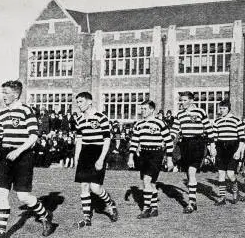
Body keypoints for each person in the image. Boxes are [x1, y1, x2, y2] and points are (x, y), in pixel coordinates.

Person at [0, 80, 56, 238]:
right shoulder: (2, 113)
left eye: (6, 93)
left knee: (23, 196)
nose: (3, 96)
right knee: (2, 193)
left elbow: (33, 136)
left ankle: (46, 216)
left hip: (23, 155)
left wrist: (18, 151)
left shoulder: (26, 111)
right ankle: (0, 232)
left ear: (16, 94)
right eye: (2, 92)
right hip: (5, 155)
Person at [72, 92, 118, 227]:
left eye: (81, 102)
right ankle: (87, 217)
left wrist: (101, 158)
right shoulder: (79, 120)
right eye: (77, 102)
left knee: (95, 187)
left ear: (89, 102)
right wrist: (76, 158)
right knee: (84, 186)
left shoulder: (101, 118)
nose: (78, 105)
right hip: (85, 154)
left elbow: (107, 139)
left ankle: (110, 204)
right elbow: (79, 140)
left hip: (98, 153)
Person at [128, 100, 174, 218]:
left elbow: (169, 142)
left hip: (156, 154)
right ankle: (154, 208)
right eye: (141, 109)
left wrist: (169, 159)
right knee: (151, 183)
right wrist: (131, 157)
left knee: (147, 181)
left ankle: (146, 209)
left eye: (145, 109)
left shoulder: (160, 123)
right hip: (144, 154)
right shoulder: (139, 124)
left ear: (152, 110)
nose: (142, 111)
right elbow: (134, 142)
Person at [171, 91, 216, 213]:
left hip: (197, 143)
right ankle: (193, 200)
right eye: (181, 100)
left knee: (191, 172)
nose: (182, 103)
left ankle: (191, 203)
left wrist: (212, 145)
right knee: (188, 173)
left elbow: (209, 129)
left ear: (191, 101)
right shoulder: (179, 114)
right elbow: (174, 131)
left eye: (185, 100)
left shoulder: (200, 112)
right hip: (184, 144)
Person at [212, 100, 245, 204]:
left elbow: (242, 138)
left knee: (230, 174)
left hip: (233, 148)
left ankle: (236, 193)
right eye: (220, 108)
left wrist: (239, 151)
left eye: (224, 108)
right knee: (221, 173)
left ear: (229, 109)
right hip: (221, 149)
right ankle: (222, 198)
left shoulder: (236, 120)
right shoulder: (217, 121)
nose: (222, 110)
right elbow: (214, 138)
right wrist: (213, 149)